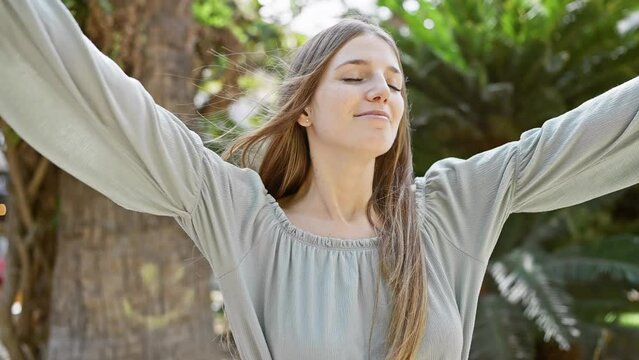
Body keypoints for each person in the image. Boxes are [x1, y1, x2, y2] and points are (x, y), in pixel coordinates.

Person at [1, 1, 638, 359]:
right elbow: (96, 95)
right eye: (355, 75)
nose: (381, 92)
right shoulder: (240, 216)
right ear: (303, 107)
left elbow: (590, 135)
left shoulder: (449, 212)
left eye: (394, 83)